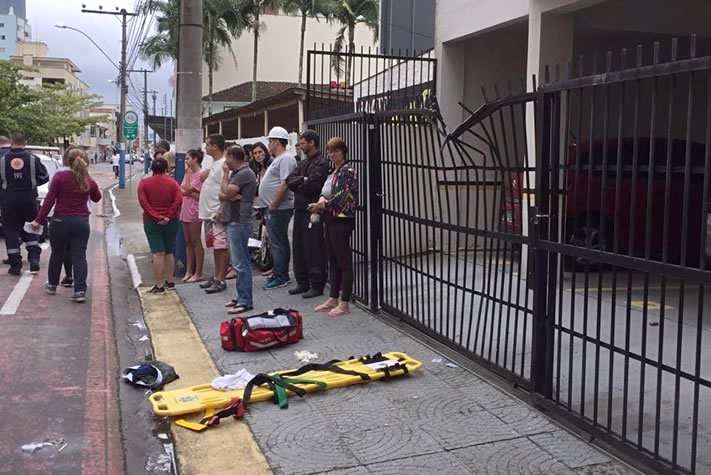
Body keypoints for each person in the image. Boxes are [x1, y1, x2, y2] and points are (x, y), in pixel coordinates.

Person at [32, 149, 101, 303]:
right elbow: (97, 198)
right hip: (81, 222)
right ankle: (80, 291)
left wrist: (38, 220)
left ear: (66, 161)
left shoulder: (60, 176)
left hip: (60, 221)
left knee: (57, 253)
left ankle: (52, 285)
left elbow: (49, 200)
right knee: (79, 256)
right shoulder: (88, 179)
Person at [310, 137, 358, 317]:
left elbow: (341, 197)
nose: (332, 154)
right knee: (333, 259)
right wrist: (322, 199)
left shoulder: (348, 170)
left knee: (344, 261)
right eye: (330, 151)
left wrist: (322, 205)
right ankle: (333, 297)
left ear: (343, 152)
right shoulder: (334, 170)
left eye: (335, 151)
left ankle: (344, 302)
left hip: (342, 219)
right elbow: (326, 191)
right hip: (330, 217)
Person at [286, 130, 329, 299]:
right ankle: (302, 281)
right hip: (300, 208)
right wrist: (301, 180)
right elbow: (290, 181)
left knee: (314, 248)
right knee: (299, 247)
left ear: (311, 143)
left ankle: (317, 283)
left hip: (312, 210)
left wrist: (301, 181)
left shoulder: (321, 162)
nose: (301, 146)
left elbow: (313, 184)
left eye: (303, 143)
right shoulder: (303, 164)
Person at [0, 133, 49, 275]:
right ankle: (34, 259)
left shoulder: (2, 159)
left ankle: (15, 265)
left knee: (11, 230)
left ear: (11, 142)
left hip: (8, 198)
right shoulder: (33, 158)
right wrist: (31, 184)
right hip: (28, 197)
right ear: (25, 142)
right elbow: (44, 177)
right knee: (31, 226)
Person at [220, 146, 257, 314]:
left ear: (232, 157)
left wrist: (226, 178)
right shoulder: (237, 173)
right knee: (238, 262)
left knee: (241, 263)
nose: (225, 161)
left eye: (226, 157)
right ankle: (241, 295)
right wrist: (226, 194)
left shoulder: (243, 173)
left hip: (239, 221)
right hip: (232, 220)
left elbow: (225, 191)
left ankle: (245, 300)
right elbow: (223, 193)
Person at [259, 127, 298, 289]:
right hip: (274, 207)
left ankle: (281, 276)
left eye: (270, 141)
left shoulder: (286, 159)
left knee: (278, 242)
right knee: (276, 242)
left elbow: (285, 183)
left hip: (279, 208)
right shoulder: (279, 158)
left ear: (276, 141)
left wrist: (274, 204)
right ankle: (279, 272)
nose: (268, 144)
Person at [137, 157, 183, 294]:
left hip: (152, 222)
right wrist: (168, 215)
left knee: (157, 253)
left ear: (152, 169)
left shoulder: (144, 183)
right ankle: (170, 281)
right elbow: (178, 200)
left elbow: (143, 202)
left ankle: (159, 285)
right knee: (169, 251)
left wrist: (156, 216)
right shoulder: (173, 183)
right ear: (166, 169)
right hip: (172, 221)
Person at [198, 134, 229, 294]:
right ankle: (217, 276)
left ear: (215, 147)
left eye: (208, 145)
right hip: (209, 213)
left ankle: (221, 279)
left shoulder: (224, 164)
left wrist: (220, 209)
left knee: (221, 246)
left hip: (216, 213)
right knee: (215, 247)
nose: (206, 148)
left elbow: (225, 189)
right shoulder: (214, 164)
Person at [180, 149, 205, 283]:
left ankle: (198, 272)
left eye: (188, 158)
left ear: (195, 159)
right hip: (185, 209)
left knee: (196, 241)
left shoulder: (199, 174)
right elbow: (181, 190)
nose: (186, 161)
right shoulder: (188, 173)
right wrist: (189, 191)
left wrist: (188, 183)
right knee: (187, 241)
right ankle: (189, 270)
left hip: (194, 211)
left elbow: (188, 189)